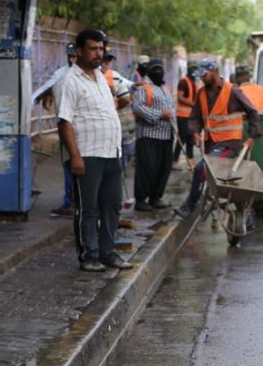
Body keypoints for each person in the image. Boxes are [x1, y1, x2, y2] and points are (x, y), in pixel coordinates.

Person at [56, 29, 133, 272]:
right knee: (88, 208)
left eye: (101, 49)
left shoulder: (101, 77)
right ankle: (89, 255)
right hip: (87, 155)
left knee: (112, 205)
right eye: (93, 48)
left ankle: (108, 252)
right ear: (79, 51)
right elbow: (64, 122)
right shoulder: (69, 81)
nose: (98, 53)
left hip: (111, 153)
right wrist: (75, 157)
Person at [175, 58, 262, 219]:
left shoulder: (233, 91)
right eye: (199, 75)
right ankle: (246, 215)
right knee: (229, 181)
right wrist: (195, 132)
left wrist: (251, 137)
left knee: (201, 169)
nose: (201, 78)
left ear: (214, 71)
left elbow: (253, 112)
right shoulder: (201, 93)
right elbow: (194, 118)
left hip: (230, 144)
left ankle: (190, 206)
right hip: (211, 144)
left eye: (204, 74)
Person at [33, 43, 78, 217]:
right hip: (68, 126)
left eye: (75, 55)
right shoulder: (62, 74)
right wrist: (45, 96)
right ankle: (70, 202)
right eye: (71, 55)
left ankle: (76, 202)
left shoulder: (87, 75)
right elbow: (47, 88)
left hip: (82, 128)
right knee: (69, 164)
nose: (73, 58)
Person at [131, 58, 176, 211]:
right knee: (147, 168)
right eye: (155, 69)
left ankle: (155, 198)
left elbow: (171, 109)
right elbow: (137, 107)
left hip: (167, 135)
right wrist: (158, 115)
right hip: (149, 135)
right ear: (149, 70)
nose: (158, 71)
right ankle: (141, 200)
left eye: (160, 68)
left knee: (163, 168)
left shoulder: (165, 87)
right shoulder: (144, 87)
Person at [173, 62, 199, 168]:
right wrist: (193, 104)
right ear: (189, 70)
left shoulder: (195, 83)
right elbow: (180, 97)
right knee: (182, 138)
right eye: (192, 69)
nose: (194, 72)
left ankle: (191, 162)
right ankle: (174, 161)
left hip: (191, 116)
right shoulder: (183, 82)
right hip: (183, 115)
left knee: (190, 139)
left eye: (195, 69)